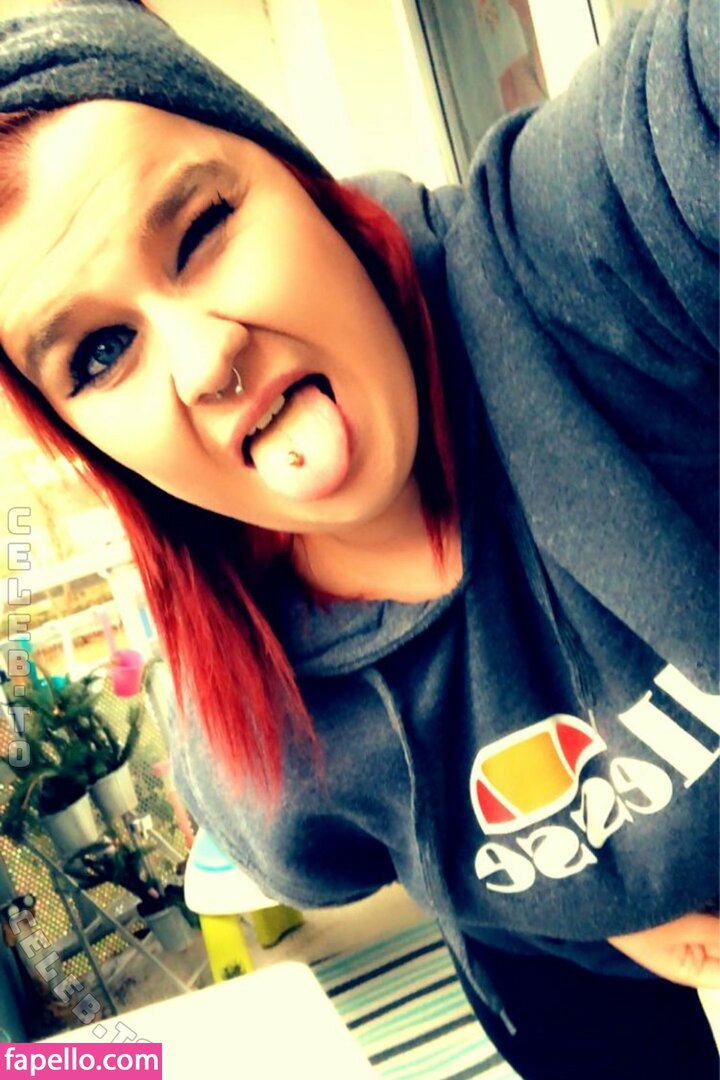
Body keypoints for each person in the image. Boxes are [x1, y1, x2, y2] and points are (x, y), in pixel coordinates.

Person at [0, 1, 717, 1076]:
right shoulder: (256, 741)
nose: (205, 361)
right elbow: (398, 862)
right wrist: (592, 912)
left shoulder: (580, 256)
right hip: (567, 987)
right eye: (100, 352)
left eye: (201, 228)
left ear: (303, 182)